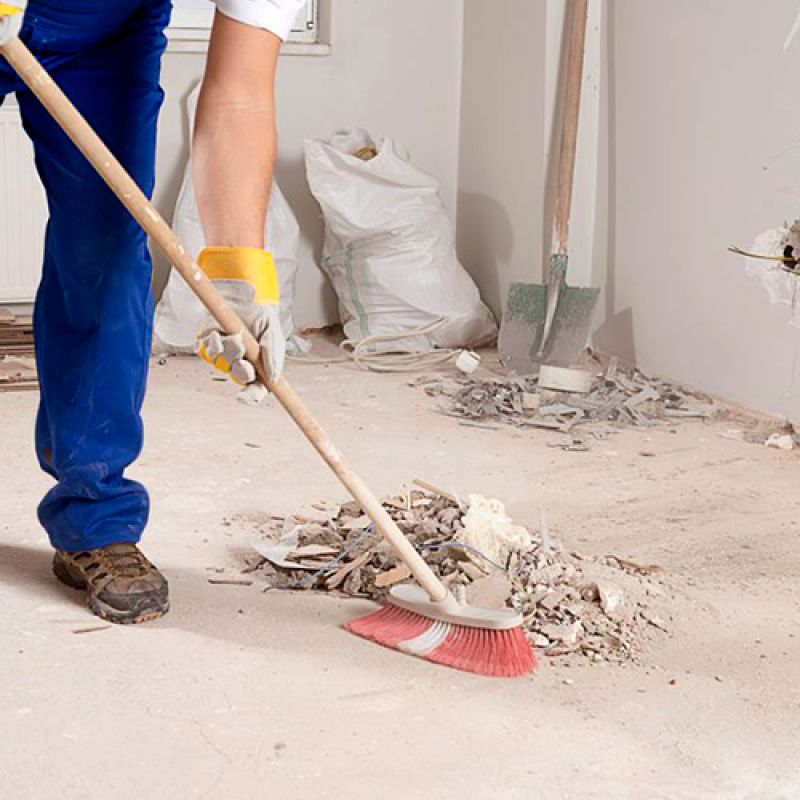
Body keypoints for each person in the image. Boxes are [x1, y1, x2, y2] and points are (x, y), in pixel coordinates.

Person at [0, 0, 306, 624]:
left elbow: (240, 96)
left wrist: (240, 277)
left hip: (100, 30)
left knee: (110, 246)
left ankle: (95, 517)